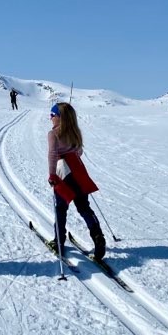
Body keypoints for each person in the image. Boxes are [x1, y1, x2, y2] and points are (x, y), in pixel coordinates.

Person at [46, 102, 106, 260]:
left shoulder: (53, 134)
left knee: (61, 208)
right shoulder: (75, 132)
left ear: (59, 118)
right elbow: (79, 151)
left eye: (52, 115)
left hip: (63, 173)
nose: (50, 118)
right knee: (84, 207)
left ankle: (59, 241)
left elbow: (52, 154)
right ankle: (98, 236)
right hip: (78, 171)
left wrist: (52, 175)